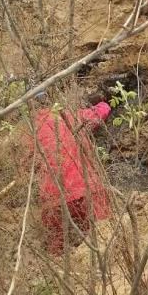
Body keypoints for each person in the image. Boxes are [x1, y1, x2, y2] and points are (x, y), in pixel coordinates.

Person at [33, 98, 111, 255]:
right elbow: (101, 112)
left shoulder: (29, 131)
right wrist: (104, 102)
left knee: (57, 249)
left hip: (53, 200)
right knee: (106, 233)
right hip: (88, 188)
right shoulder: (70, 116)